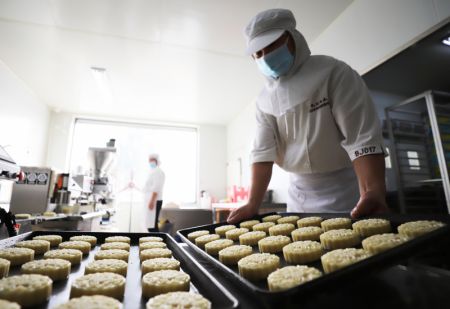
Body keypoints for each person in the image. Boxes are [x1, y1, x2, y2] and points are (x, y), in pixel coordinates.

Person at [228, 9, 388, 224]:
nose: (266, 57)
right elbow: (262, 154)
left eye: (272, 45)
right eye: (258, 53)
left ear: (292, 38)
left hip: (345, 192)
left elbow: (361, 138)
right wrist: (252, 204)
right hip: (298, 197)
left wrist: (373, 190)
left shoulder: (332, 73)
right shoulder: (264, 100)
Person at [144, 153, 165, 231]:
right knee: (150, 225)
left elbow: (157, 188)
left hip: (154, 200)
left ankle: (156, 242)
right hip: (151, 200)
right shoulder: (152, 171)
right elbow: (146, 188)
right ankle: (153, 241)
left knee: (152, 225)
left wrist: (152, 201)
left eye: (151, 160)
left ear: (156, 161)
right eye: (149, 160)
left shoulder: (158, 171)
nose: (150, 162)